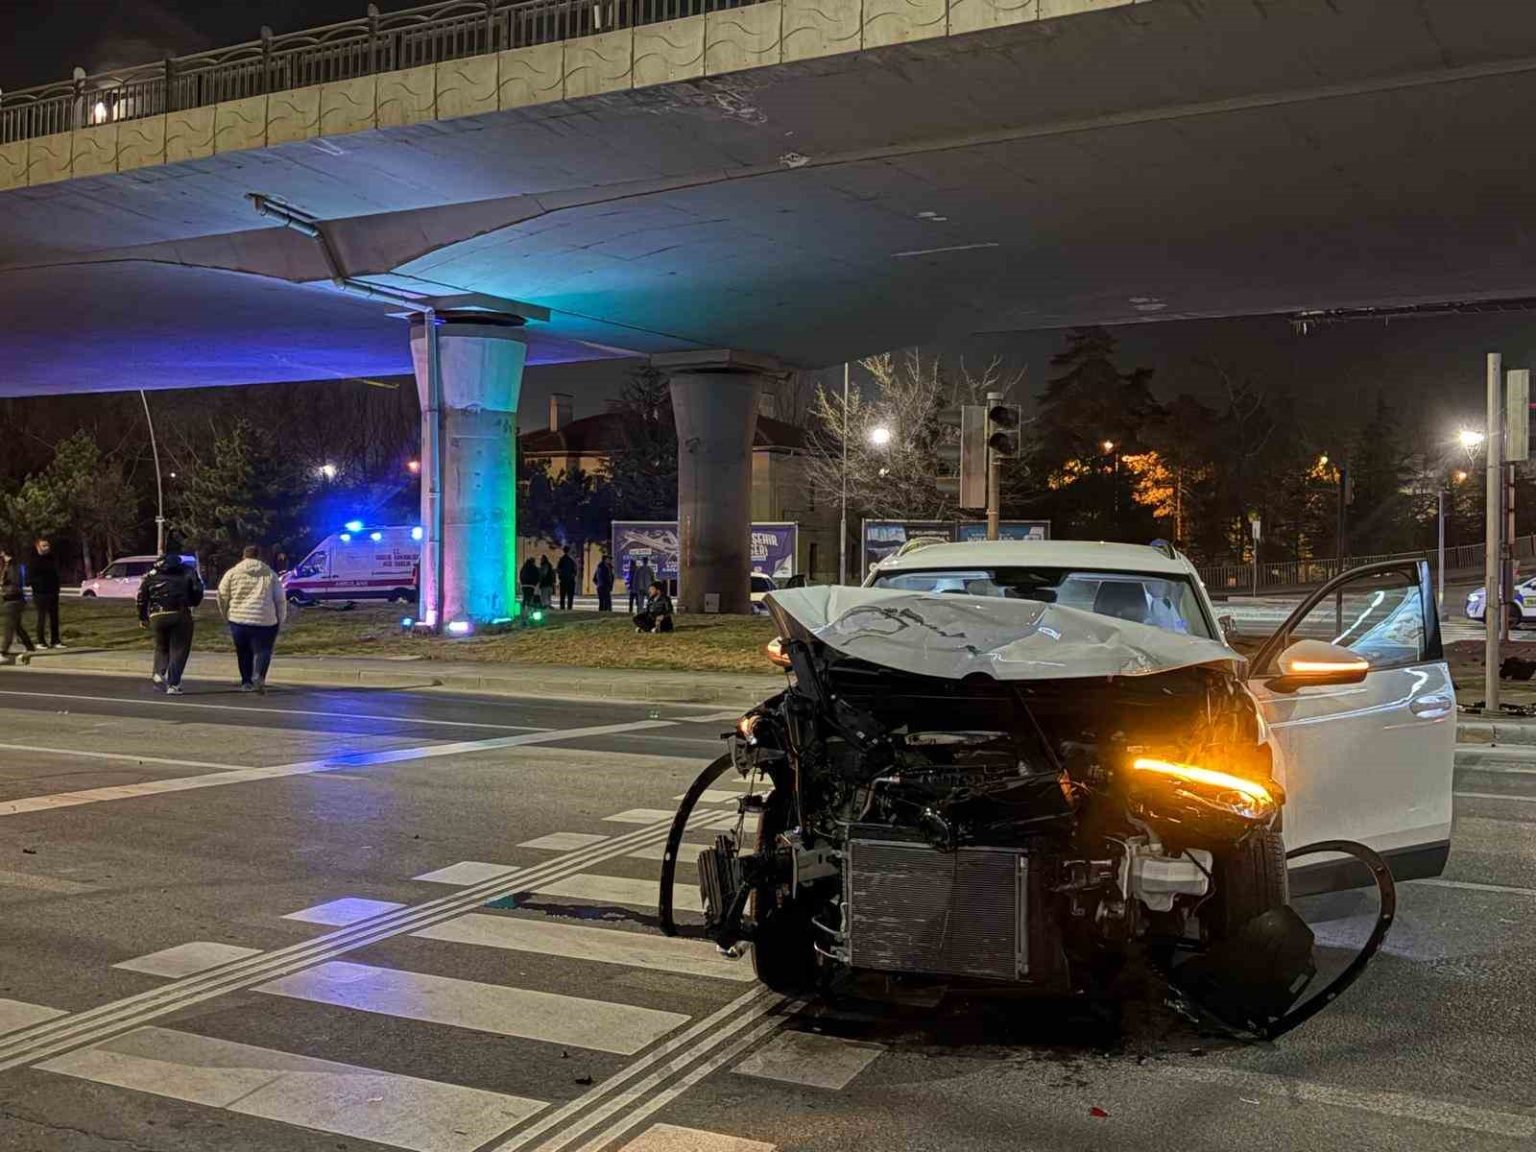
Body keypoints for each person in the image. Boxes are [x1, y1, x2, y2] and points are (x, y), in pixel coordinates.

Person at [217, 545, 287, 693]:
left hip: (238, 619)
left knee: (243, 652)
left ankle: (246, 681)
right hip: (265, 620)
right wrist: (280, 619)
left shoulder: (232, 573)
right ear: (259, 556)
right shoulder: (270, 574)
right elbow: (280, 600)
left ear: (244, 556)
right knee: (264, 650)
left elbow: (222, 595)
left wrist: (225, 614)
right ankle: (259, 676)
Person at [136, 551, 204, 695]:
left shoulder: (151, 576)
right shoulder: (186, 572)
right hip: (180, 613)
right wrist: (192, 602)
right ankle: (174, 684)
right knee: (179, 650)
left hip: (157, 615)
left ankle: (158, 673)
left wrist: (143, 617)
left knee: (161, 647)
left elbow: (141, 598)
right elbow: (197, 590)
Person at [0, 547, 34, 666]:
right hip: (12, 599)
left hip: (13, 599)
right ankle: (30, 647)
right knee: (16, 626)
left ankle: (4, 652)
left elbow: (15, 584)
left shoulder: (13, 567)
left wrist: (4, 588)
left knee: (9, 627)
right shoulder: (8, 566)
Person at [29, 538, 63, 650]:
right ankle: (41, 641)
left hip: (52, 591)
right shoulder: (34, 560)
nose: (47, 548)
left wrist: (56, 587)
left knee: (54, 617)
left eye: (47, 545)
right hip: (40, 593)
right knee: (42, 617)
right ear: (38, 547)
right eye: (44, 546)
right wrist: (38, 586)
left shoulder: (51, 559)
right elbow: (30, 578)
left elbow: (54, 574)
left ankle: (55, 640)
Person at [556, 545, 578, 611]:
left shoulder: (561, 560)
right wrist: (572, 576)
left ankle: (562, 608)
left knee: (562, 596)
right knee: (570, 596)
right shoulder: (571, 560)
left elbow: (558, 570)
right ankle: (569, 608)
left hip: (563, 580)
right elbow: (575, 571)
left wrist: (561, 576)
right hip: (570, 581)